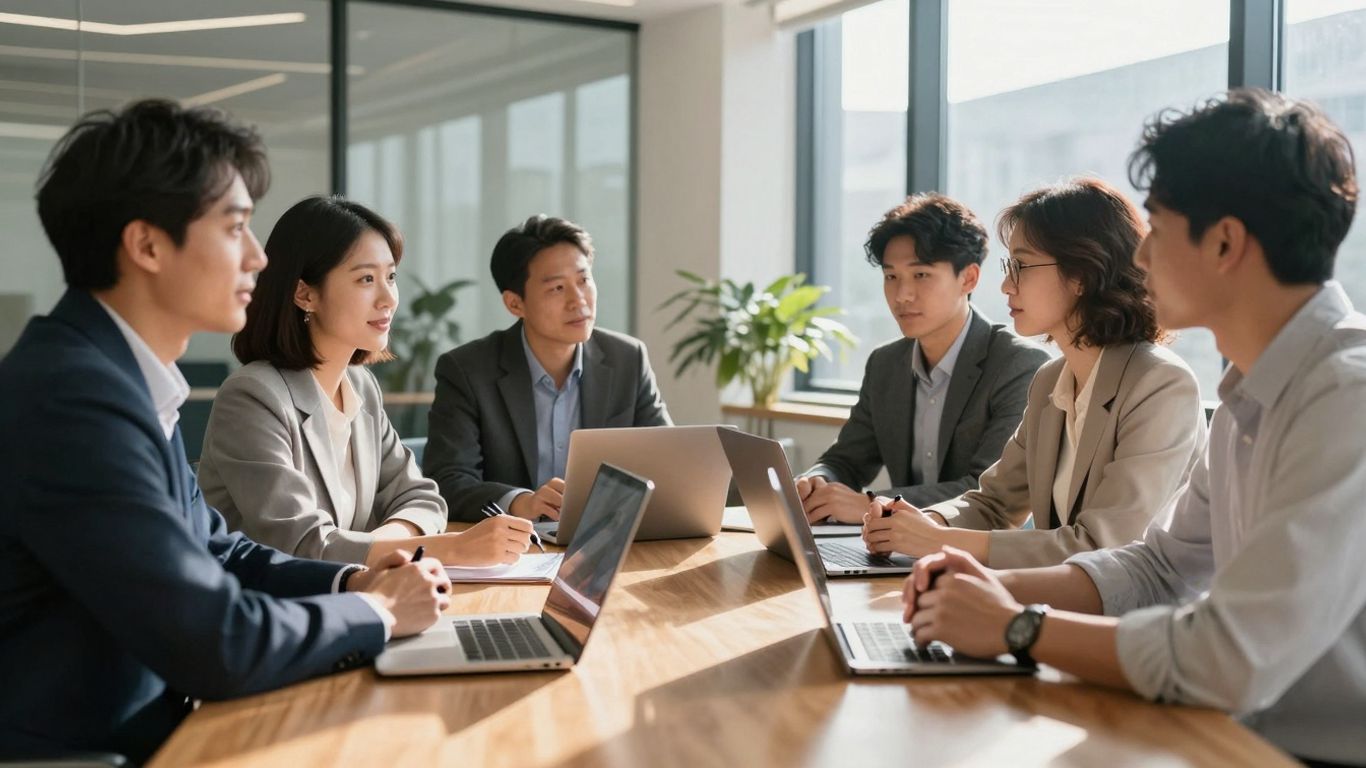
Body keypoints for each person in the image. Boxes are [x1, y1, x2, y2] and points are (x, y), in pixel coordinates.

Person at [901, 89, 1365, 767]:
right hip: (1229, 732)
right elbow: (1157, 566)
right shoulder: (1249, 394)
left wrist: (1014, 624)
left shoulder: (1345, 396)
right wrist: (967, 584)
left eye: (1157, 230)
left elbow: (1227, 656)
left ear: (1226, 242)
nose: (1140, 259)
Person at [0, 100, 449, 762]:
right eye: (235, 228)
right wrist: (379, 613)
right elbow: (216, 640)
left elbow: (221, 552)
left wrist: (350, 584)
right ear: (147, 244)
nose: (260, 258)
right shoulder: (72, 398)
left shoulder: (117, 378)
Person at [863, 178, 1206, 568]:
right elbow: (994, 502)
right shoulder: (1050, 380)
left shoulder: (1160, 383)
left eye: (1021, 265)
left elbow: (1104, 547)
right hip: (1061, 603)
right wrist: (920, 523)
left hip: (1135, 620)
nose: (1007, 285)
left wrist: (937, 540)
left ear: (1082, 273)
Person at [197, 195, 533, 566]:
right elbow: (300, 543)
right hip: (270, 611)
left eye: (391, 276)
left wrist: (383, 549)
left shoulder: (360, 387)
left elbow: (422, 497)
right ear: (305, 294)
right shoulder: (252, 397)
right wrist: (445, 549)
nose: (388, 298)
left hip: (355, 593)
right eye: (366, 279)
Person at [796, 193, 1050, 525]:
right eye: (891, 277)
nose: (902, 295)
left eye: (921, 275)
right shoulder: (885, 364)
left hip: (982, 555)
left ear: (969, 278)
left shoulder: (1019, 364)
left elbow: (983, 491)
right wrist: (817, 481)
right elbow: (846, 461)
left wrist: (871, 504)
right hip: (898, 549)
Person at [424, 215, 672, 523]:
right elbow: (448, 481)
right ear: (515, 304)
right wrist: (520, 503)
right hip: (514, 549)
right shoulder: (467, 370)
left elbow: (668, 463)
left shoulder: (628, 359)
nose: (578, 300)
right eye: (557, 288)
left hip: (605, 539)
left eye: (583, 280)